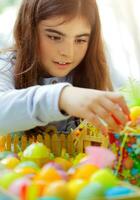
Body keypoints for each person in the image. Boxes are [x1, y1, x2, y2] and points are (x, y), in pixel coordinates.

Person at [0, 0, 129, 136]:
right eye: (54, 37)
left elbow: (127, 97)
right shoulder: (6, 65)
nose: (68, 53)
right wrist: (62, 97)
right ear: (28, 29)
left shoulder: (95, 65)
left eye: (80, 40)